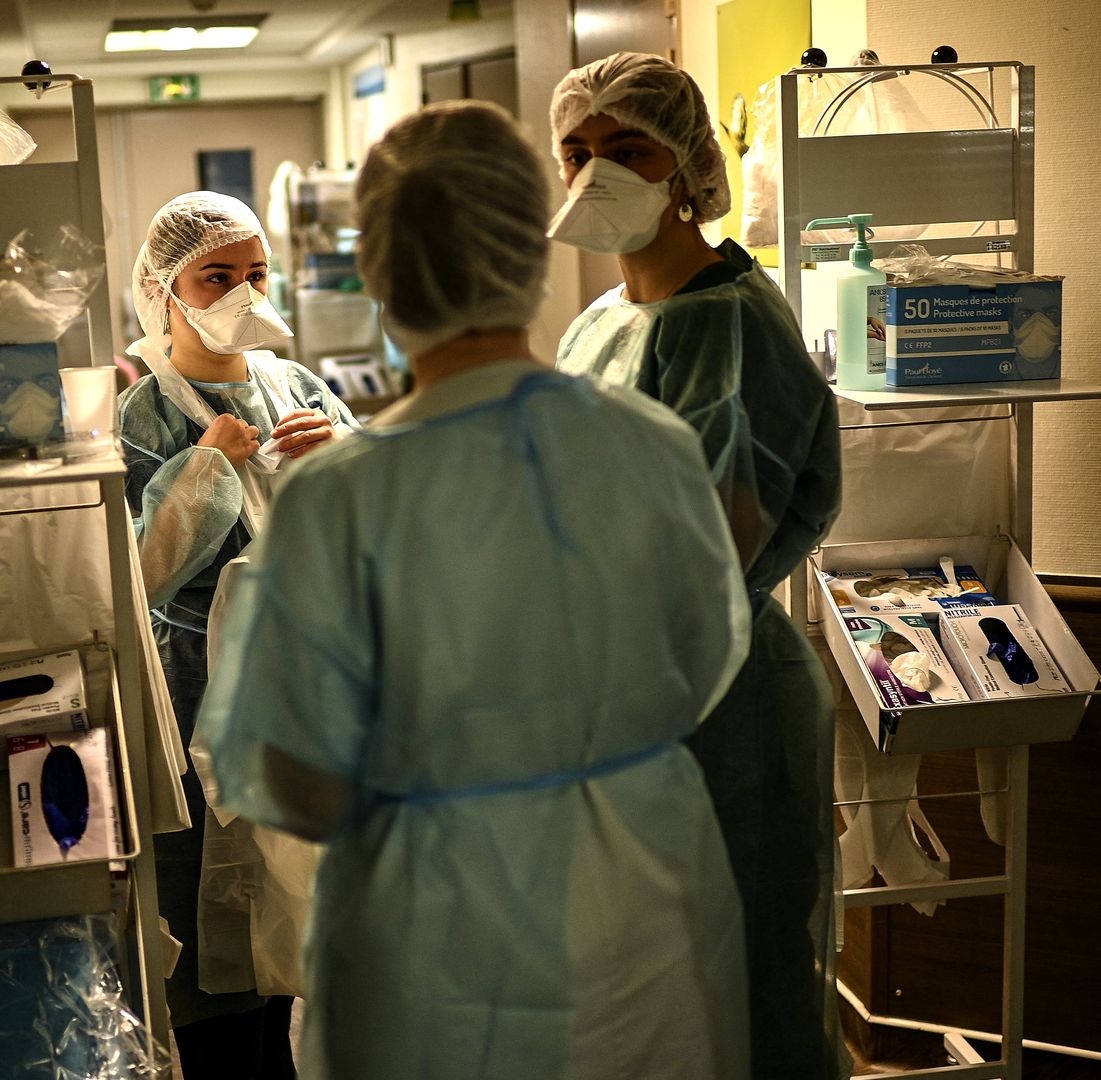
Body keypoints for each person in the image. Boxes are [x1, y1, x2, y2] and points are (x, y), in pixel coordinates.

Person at [196, 100, 757, 1080]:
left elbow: (282, 772)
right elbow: (708, 658)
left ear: (379, 272)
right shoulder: (654, 449)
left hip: (430, 942)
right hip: (643, 901)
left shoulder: (340, 498)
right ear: (528, 258)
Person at [549, 51, 844, 1079]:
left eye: (629, 150)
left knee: (739, 979)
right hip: (621, 690)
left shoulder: (728, 325)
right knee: (642, 987)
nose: (598, 172)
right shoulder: (599, 322)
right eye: (577, 151)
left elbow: (711, 552)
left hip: (715, 700)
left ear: (688, 170)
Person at [118, 190, 359, 1078]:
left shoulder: (299, 388)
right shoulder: (146, 414)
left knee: (295, 889)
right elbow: (143, 571)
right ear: (164, 291)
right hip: (195, 688)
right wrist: (208, 461)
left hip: (301, 680)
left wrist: (341, 453)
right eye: (216, 277)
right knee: (209, 898)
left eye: (256, 274)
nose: (243, 293)